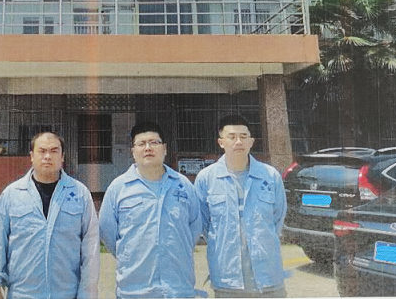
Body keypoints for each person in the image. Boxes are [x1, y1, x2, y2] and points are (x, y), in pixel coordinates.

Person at [0, 132, 100, 299]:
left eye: (54, 151)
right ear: (31, 156)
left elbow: (90, 248)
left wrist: (88, 294)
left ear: (62, 156)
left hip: (66, 293)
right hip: (22, 294)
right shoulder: (12, 194)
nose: (47, 156)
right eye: (42, 151)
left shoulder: (80, 194)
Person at [99, 122, 203, 298]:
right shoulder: (119, 188)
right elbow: (107, 232)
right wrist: (130, 255)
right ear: (133, 151)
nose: (148, 148)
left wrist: (177, 249)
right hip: (134, 290)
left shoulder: (183, 185)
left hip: (178, 289)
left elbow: (194, 227)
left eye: (154, 142)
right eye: (141, 143)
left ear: (164, 149)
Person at [194, 114, 288, 298]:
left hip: (268, 278)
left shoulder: (270, 176)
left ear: (251, 141)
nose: (238, 142)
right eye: (232, 137)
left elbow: (277, 219)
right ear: (221, 142)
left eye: (244, 137)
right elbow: (204, 224)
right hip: (227, 279)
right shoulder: (206, 179)